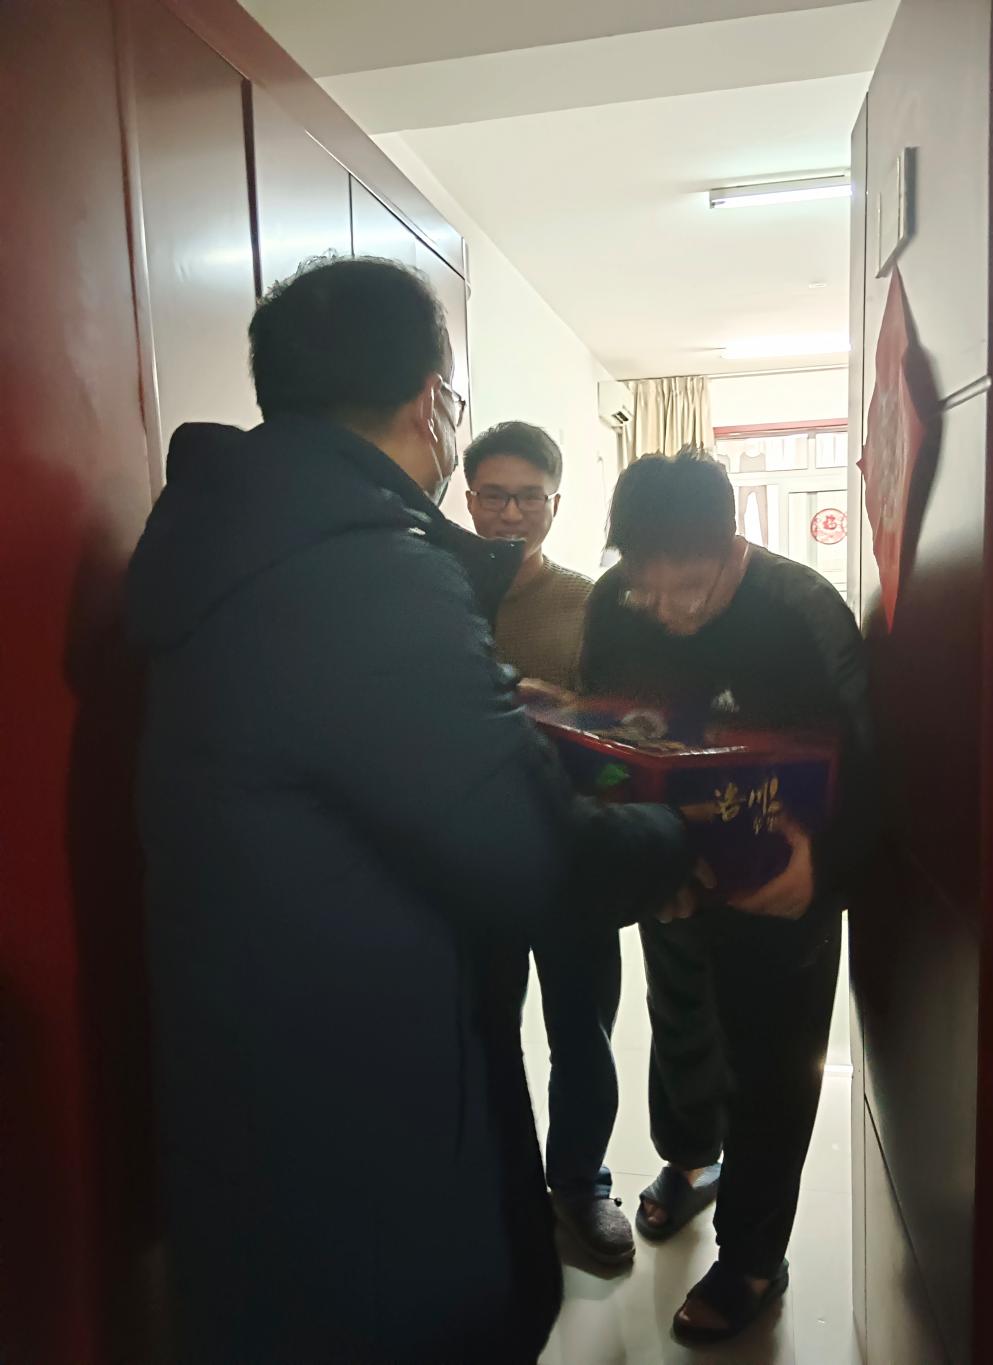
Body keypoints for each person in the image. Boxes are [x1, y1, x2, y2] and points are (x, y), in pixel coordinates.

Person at [126, 257, 701, 1365]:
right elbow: (530, 857)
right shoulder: (367, 569)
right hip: (370, 1096)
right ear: (433, 402)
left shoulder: (234, 538)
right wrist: (678, 841)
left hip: (258, 1063)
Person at [580, 450, 874, 1346]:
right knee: (679, 1022)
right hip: (675, 871)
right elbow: (599, 737)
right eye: (647, 588)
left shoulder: (802, 610)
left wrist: (827, 870)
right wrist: (636, 855)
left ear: (733, 546)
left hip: (785, 888)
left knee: (774, 1068)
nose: (668, 611)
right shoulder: (612, 604)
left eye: (691, 589)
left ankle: (752, 1256)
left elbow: (878, 761)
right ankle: (689, 1159)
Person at [465, 422, 632, 1266]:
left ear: (555, 505)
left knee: (583, 1031)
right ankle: (495, 1188)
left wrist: (554, 704)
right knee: (481, 1031)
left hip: (571, 846)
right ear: (468, 500)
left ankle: (579, 1184)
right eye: (494, 495)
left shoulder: (590, 602)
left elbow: (626, 723)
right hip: (469, 852)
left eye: (528, 496)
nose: (510, 513)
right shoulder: (442, 588)